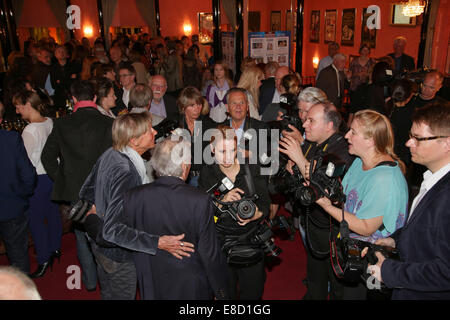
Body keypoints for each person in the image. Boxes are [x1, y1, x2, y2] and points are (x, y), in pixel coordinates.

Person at [80, 112, 194, 299]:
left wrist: (94, 213)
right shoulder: (126, 171)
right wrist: (157, 242)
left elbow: (86, 191)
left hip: (99, 247)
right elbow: (112, 231)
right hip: (118, 255)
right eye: (149, 130)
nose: (155, 131)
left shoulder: (111, 153)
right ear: (134, 140)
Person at [314, 109, 408, 299]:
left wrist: (327, 207)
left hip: (373, 265)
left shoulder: (384, 177)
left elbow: (366, 227)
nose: (346, 136)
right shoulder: (359, 162)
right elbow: (345, 199)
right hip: (354, 252)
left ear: (371, 140)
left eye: (353, 132)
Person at [123, 136, 228, 300]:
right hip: (191, 285)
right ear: (185, 166)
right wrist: (221, 291)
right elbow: (209, 252)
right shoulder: (199, 200)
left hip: (151, 280)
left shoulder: (133, 197)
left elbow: (123, 236)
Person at [365, 101, 450, 300]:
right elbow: (426, 229)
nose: (408, 143)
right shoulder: (432, 177)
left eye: (418, 139)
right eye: (411, 136)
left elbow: (446, 271)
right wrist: (396, 239)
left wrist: (389, 272)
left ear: (446, 143)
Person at [41, 80, 114, 291]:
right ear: (94, 98)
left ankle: (91, 282)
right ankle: (106, 282)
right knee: (103, 235)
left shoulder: (62, 124)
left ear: (73, 99)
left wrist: (63, 178)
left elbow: (47, 157)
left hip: (76, 191)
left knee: (82, 238)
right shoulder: (108, 123)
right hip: (102, 188)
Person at [279, 101, 354, 300]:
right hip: (313, 224)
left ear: (329, 125)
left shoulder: (342, 148)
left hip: (332, 231)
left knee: (338, 286)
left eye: (311, 120)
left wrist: (299, 159)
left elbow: (324, 187)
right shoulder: (313, 144)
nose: (305, 125)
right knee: (315, 281)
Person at [198, 125, 270, 299]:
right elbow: (201, 213)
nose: (228, 157)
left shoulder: (251, 170)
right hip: (220, 242)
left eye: (232, 150)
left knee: (253, 294)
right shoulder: (208, 173)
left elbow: (266, 204)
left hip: (250, 240)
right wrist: (222, 201)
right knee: (225, 294)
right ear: (213, 150)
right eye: (222, 151)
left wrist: (256, 215)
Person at [12, 91, 62, 278]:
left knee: (36, 221)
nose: (17, 111)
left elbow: (24, 163)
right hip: (51, 176)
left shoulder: (30, 130)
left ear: (28, 105)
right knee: (52, 214)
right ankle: (55, 248)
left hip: (37, 180)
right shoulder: (49, 121)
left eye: (18, 106)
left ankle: (43, 258)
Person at [0, 116, 36, 275]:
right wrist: (21, 194)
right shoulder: (11, 139)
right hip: (12, 205)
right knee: (18, 256)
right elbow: (28, 175)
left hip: (12, 204)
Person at [177, 86, 217, 187]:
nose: (197, 109)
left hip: (202, 177)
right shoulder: (176, 123)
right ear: (183, 107)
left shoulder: (208, 124)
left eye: (199, 104)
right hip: (179, 176)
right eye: (192, 105)